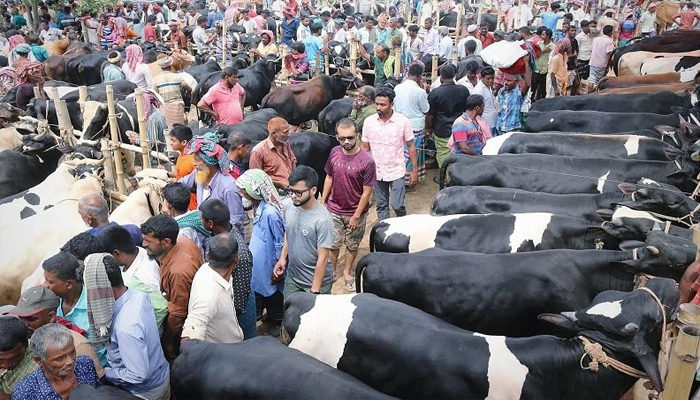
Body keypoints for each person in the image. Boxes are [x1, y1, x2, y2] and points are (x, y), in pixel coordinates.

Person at [94, 254, 170, 400]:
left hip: (145, 392)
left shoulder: (125, 328)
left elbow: (138, 374)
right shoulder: (138, 294)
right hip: (161, 372)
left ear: (104, 289)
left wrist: (106, 372)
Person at [321, 118, 375, 291]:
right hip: (334, 209)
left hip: (354, 211)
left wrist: (356, 216)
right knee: (333, 244)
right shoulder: (334, 152)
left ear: (357, 136)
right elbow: (329, 177)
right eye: (342, 138)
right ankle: (332, 272)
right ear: (336, 136)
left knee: (352, 244)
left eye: (350, 138)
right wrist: (323, 202)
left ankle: (347, 272)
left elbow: (367, 192)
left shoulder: (367, 161)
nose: (346, 142)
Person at [140, 215, 202, 361]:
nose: (143, 244)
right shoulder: (184, 242)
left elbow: (178, 313)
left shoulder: (178, 272)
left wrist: (167, 341)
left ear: (166, 242)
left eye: (148, 241)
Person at [8, 287, 104, 378]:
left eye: (31, 319)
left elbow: (97, 383)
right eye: (20, 318)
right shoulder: (24, 338)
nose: (24, 324)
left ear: (51, 317)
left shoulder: (78, 345)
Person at [235, 170, 285, 334]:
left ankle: (276, 321)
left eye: (244, 191)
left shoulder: (270, 213)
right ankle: (270, 316)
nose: (242, 194)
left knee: (272, 293)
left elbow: (279, 241)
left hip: (269, 264)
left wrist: (278, 265)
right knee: (262, 290)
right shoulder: (256, 208)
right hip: (258, 265)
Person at [273, 166, 334, 296]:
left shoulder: (322, 219)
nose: (293, 196)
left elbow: (323, 258)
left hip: (315, 283)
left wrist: (315, 290)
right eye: (291, 191)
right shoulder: (289, 206)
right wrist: (283, 258)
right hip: (293, 278)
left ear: (313, 190)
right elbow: (289, 232)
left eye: (298, 192)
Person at [97, 227, 168, 330]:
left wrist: (143, 331)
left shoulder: (146, 275)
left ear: (116, 254)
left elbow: (160, 308)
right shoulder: (134, 255)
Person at [362, 88, 417, 219]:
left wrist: (414, 170)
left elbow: (411, 145)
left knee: (397, 205)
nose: (378, 107)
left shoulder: (403, 121)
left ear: (392, 104)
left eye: (383, 104)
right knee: (381, 206)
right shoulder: (369, 122)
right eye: (376, 104)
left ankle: (403, 225)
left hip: (397, 170)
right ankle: (384, 234)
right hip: (377, 171)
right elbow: (364, 147)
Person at [181, 233, 244, 344]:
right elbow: (188, 341)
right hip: (222, 355)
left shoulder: (208, 270)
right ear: (237, 260)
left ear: (207, 255)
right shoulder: (208, 297)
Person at [179, 133, 245, 234]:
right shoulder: (199, 173)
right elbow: (182, 183)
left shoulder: (229, 187)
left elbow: (235, 222)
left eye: (197, 160)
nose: (194, 163)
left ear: (209, 162)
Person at [11, 324, 100, 400]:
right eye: (59, 358)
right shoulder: (25, 393)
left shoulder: (85, 364)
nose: (70, 361)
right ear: (39, 360)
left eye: (72, 352)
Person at [426, 65, 469, 167]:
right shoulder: (464, 90)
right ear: (454, 75)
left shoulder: (435, 93)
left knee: (443, 154)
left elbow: (430, 115)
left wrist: (428, 128)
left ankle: (445, 178)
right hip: (460, 128)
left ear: (441, 77)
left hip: (442, 129)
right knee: (459, 153)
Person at [394, 64, 430, 184]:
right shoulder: (420, 92)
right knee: (413, 152)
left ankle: (400, 177)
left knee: (401, 151)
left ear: (408, 73)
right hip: (414, 125)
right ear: (420, 76)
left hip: (399, 123)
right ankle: (408, 178)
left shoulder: (397, 88)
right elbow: (425, 109)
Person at [41, 252, 89, 335]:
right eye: (45, 280)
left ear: (69, 284)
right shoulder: (46, 300)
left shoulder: (92, 308)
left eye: (50, 282)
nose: (44, 285)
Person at [249, 117, 297, 193]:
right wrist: (280, 183)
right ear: (274, 134)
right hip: (274, 193)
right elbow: (256, 178)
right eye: (285, 132)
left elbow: (293, 163)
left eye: (288, 131)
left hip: (291, 190)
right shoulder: (258, 151)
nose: (289, 135)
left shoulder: (285, 144)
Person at [161, 182, 210, 254]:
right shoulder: (197, 215)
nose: (162, 204)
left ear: (170, 206)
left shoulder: (181, 231)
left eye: (163, 201)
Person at [0, 317, 38, 399]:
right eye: (0, 360)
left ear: (26, 345)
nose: (6, 365)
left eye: (13, 358)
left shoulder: (37, 369)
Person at [495, 58, 531, 135]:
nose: (506, 83)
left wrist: (526, 63)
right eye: (506, 80)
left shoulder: (518, 93)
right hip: (499, 128)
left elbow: (527, 84)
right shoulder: (501, 91)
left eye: (509, 80)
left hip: (512, 129)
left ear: (516, 82)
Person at [532, 28, 553, 101]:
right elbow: (535, 53)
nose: (541, 36)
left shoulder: (553, 47)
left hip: (545, 70)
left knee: (543, 89)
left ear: (548, 36)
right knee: (533, 88)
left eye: (543, 34)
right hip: (536, 69)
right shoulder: (539, 44)